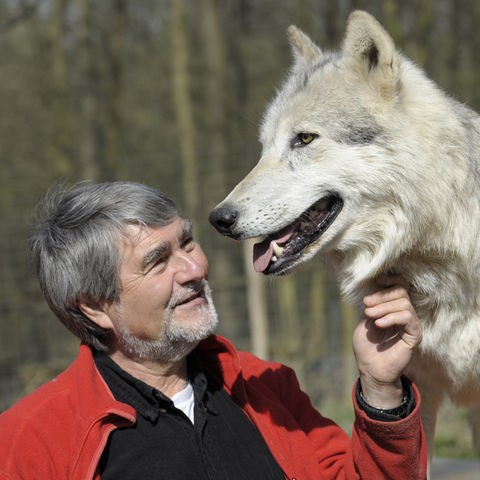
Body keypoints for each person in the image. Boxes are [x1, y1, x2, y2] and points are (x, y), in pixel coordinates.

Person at [0, 181, 426, 479]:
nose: (195, 268)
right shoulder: (29, 444)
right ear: (94, 306)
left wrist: (380, 390)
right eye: (157, 261)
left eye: (186, 243)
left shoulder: (266, 387)